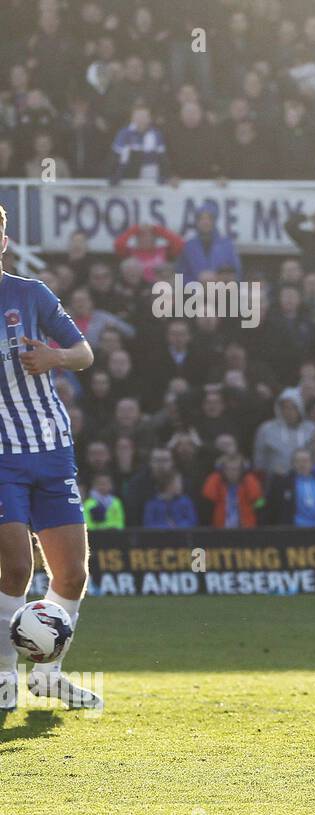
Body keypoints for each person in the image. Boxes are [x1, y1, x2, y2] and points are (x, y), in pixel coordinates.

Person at [0, 204, 101, 710]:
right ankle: (3, 680)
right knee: (15, 568)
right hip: (1, 459)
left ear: (3, 242)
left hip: (50, 448)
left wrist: (53, 357)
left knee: (73, 574)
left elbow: (84, 353)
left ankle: (48, 674)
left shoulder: (30, 294)